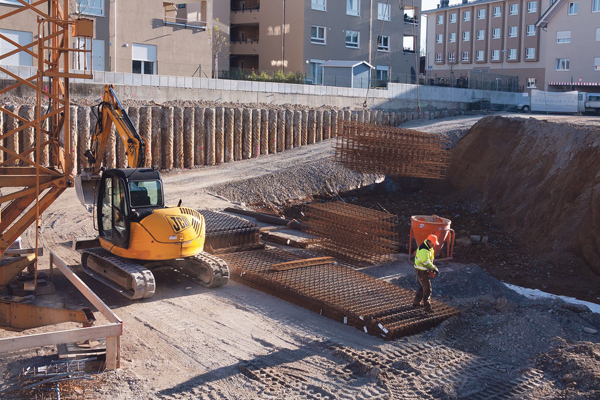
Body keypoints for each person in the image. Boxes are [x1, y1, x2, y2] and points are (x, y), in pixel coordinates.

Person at [413, 234, 439, 312]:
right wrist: (433, 268)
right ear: (428, 241)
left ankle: (416, 303)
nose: (434, 245)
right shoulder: (423, 249)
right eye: (433, 243)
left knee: (422, 287)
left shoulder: (429, 247)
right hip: (421, 271)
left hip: (424, 270)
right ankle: (427, 307)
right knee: (427, 288)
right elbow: (426, 262)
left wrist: (432, 267)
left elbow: (430, 259)